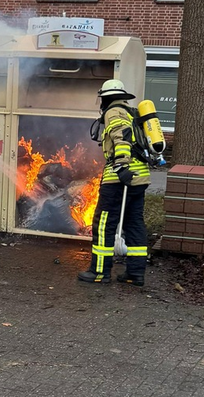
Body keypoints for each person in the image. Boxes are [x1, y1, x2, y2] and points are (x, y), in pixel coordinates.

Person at [78, 79, 150, 285]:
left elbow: (121, 137)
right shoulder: (131, 112)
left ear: (106, 98)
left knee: (103, 224)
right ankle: (135, 273)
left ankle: (99, 272)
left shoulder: (114, 112)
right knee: (134, 223)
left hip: (119, 178)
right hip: (140, 176)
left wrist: (121, 166)